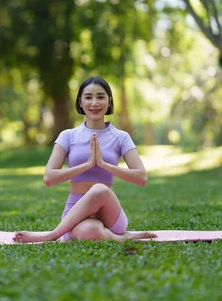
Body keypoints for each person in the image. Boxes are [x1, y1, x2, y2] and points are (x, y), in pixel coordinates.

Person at [13, 76, 156, 243]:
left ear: (109, 102)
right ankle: (123, 238)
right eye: (88, 97)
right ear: (80, 102)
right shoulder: (68, 136)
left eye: (100, 97)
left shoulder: (121, 137)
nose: (94, 102)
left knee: (99, 190)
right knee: (91, 231)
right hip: (75, 212)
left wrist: (104, 165)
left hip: (110, 214)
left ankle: (50, 235)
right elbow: (48, 178)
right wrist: (87, 165)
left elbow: (141, 178)